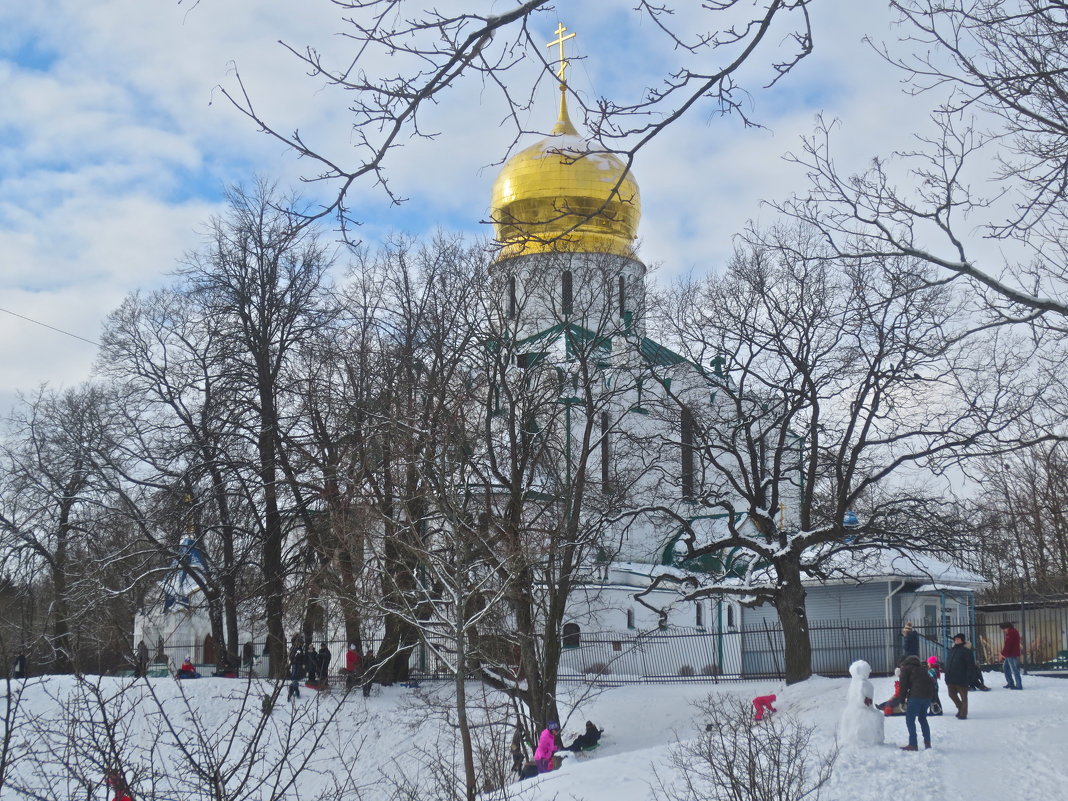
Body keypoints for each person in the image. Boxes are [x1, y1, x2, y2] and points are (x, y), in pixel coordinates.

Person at [898, 654, 935, 750]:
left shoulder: (905, 669)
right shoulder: (922, 669)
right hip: (928, 696)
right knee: (923, 719)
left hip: (916, 697)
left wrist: (901, 701)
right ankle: (928, 743)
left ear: (903, 663)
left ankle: (913, 744)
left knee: (910, 719)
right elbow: (931, 682)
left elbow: (903, 687)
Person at [945, 632, 977, 719]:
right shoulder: (951, 650)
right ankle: (960, 707)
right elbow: (948, 663)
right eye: (955, 639)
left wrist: (969, 677)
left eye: (958, 639)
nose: (956, 640)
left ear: (962, 640)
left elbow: (970, 665)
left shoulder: (966, 651)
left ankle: (963, 713)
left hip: (962, 678)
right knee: (951, 694)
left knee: (963, 697)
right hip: (951, 677)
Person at [1000, 621, 1022, 689]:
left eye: (1004, 629)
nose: (1003, 630)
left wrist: (1002, 654)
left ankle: (1018, 685)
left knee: (1014, 669)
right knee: (1006, 668)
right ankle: (1010, 683)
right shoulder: (1011, 632)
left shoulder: (1011, 633)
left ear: (1007, 627)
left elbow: (1008, 645)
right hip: (1009, 654)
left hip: (1011, 654)